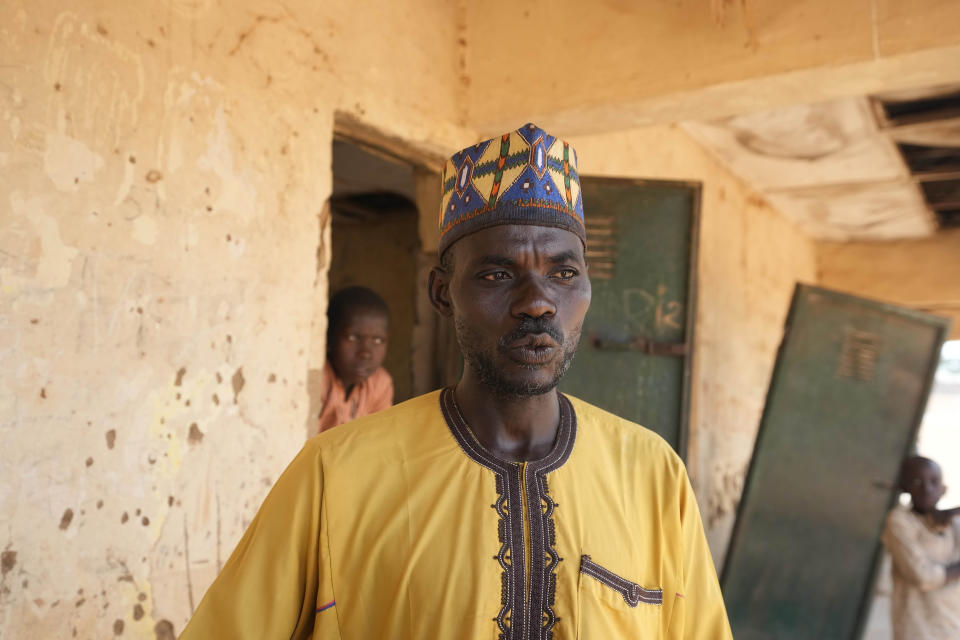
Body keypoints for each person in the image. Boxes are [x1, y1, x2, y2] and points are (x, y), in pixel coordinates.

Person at [180, 123, 732, 639]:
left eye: (563, 273)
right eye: (497, 274)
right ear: (443, 293)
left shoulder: (653, 475)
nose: (538, 302)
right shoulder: (334, 475)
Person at [881, 455, 960, 640]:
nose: (927, 489)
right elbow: (923, 576)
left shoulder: (953, 524)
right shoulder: (899, 521)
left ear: (943, 488)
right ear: (905, 486)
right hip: (918, 628)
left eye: (934, 481)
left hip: (952, 625)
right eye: (917, 482)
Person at [316, 286, 393, 433]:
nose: (365, 353)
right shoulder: (318, 380)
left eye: (378, 340)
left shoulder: (380, 384)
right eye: (352, 337)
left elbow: (378, 440)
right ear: (329, 338)